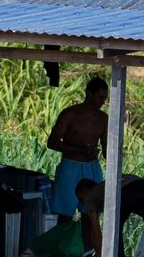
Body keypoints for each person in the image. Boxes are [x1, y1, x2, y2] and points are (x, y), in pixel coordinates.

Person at [46, 77, 110, 220]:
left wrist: (110, 155)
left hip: (92, 168)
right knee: (64, 216)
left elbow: (107, 147)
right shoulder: (70, 114)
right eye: (100, 97)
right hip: (70, 167)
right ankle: (63, 242)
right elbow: (52, 142)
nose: (102, 102)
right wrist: (77, 150)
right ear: (89, 93)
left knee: (91, 215)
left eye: (104, 99)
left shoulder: (103, 118)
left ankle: (88, 243)